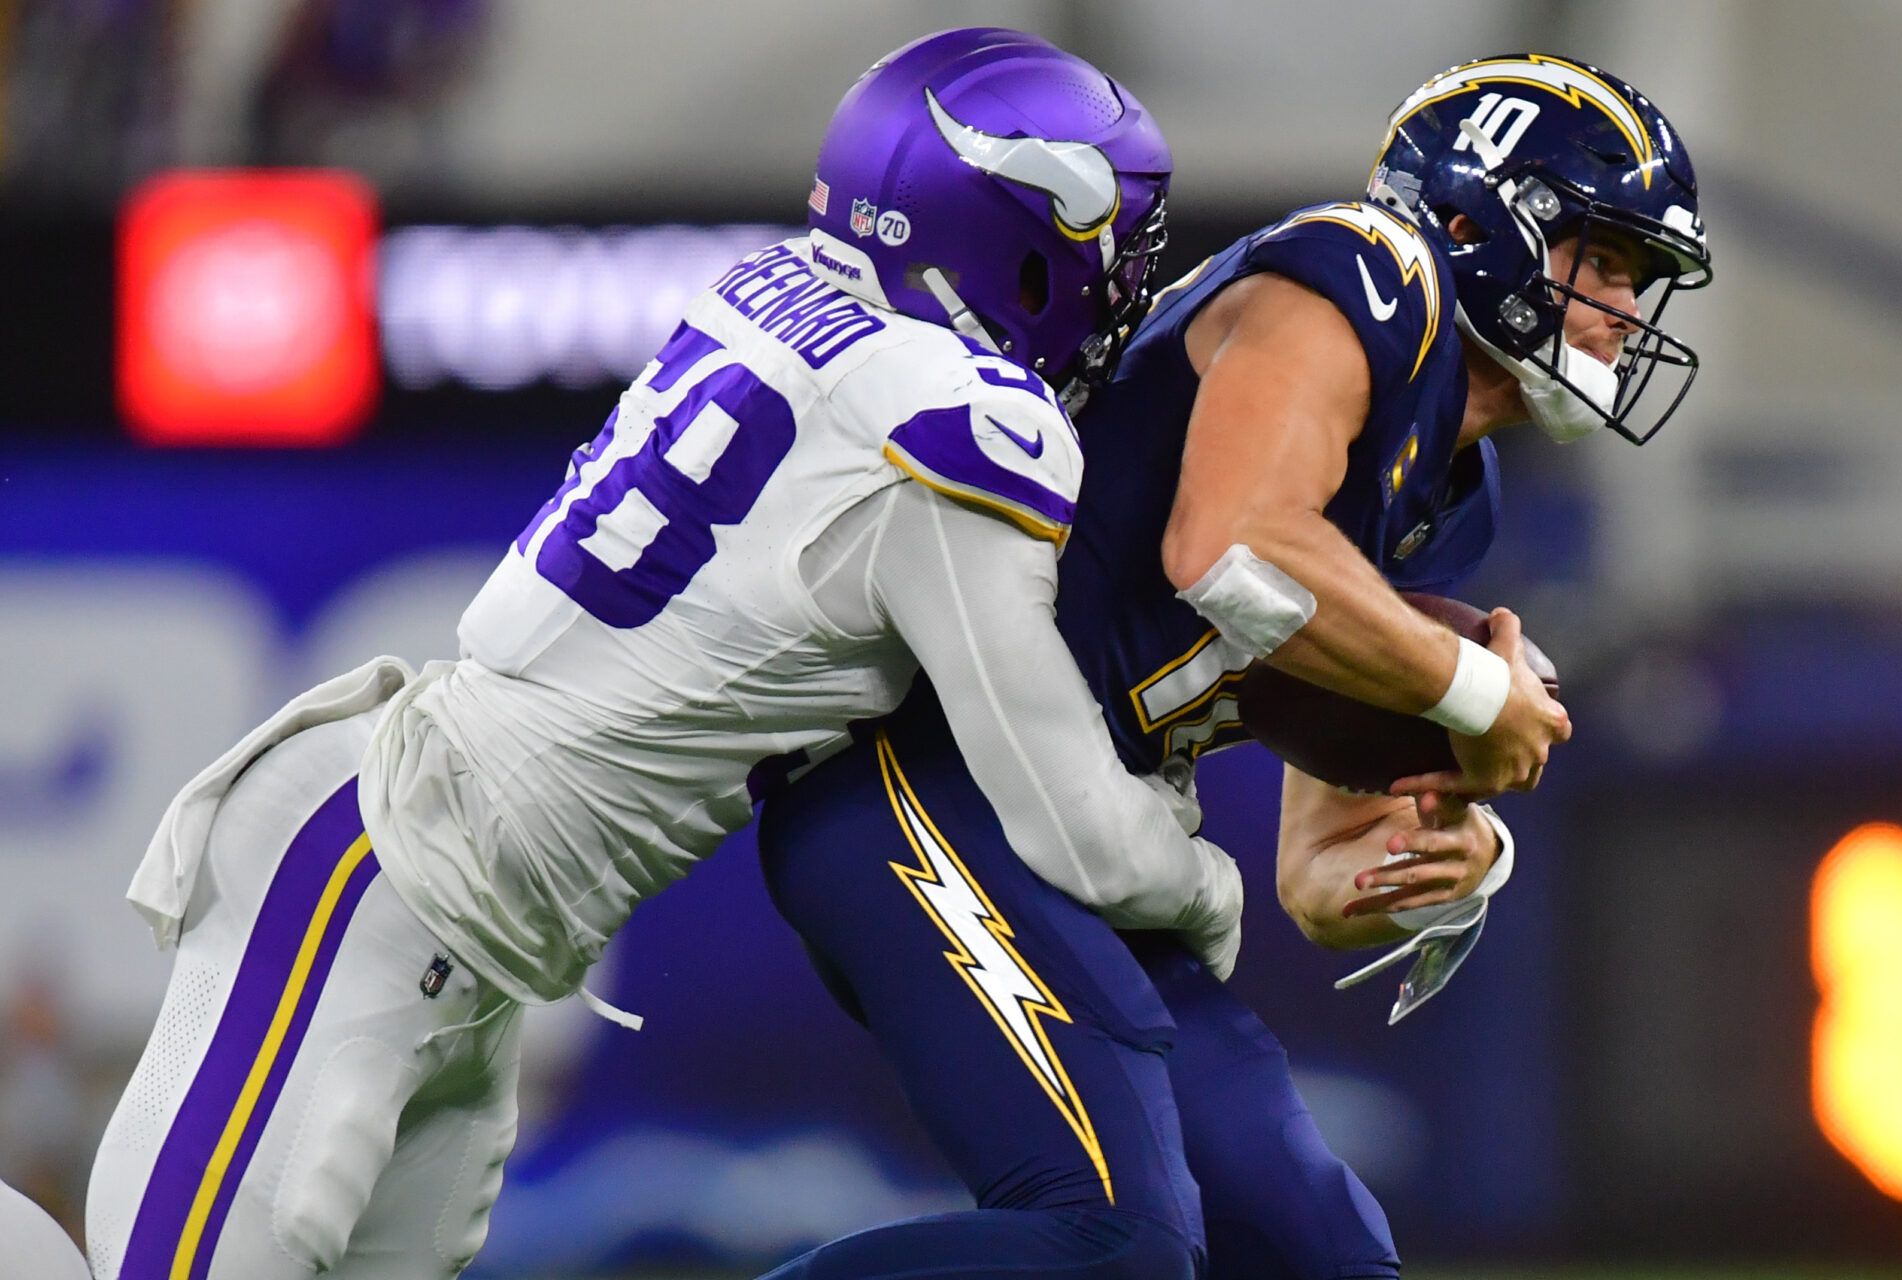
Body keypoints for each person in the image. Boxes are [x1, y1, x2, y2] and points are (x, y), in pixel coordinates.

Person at [84, 29, 1244, 1280]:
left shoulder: (779, 288)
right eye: (1107, 245)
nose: (1123, 284)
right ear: (1015, 235)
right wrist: (1207, 887)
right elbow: (1071, 821)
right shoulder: (962, 427)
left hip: (461, 929)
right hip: (374, 872)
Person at [754, 52, 1710, 1278]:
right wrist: (1473, 691)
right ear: (1479, 223)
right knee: (1111, 1240)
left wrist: (1441, 846)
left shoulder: (1449, 493)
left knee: (1318, 1249)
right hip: (927, 780)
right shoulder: (1367, 272)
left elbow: (1315, 873)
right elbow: (1233, 546)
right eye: (1608, 262)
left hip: (1079, 831)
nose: (1626, 315)